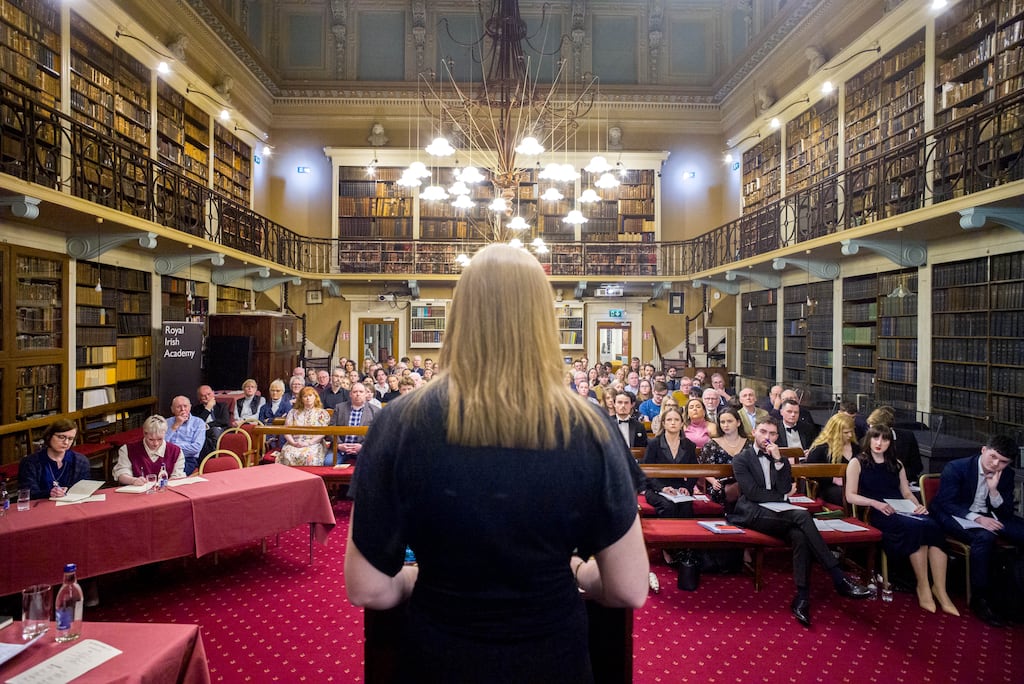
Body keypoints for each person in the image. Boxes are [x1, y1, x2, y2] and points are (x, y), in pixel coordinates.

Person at [344, 244, 647, 681]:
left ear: (459, 315)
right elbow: (629, 587)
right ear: (544, 320)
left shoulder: (398, 422)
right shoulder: (591, 427)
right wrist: (579, 569)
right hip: (552, 659)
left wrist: (412, 579)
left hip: (438, 658)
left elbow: (367, 587)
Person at [728, 417, 872, 627]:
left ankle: (802, 598)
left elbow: (785, 487)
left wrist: (778, 462)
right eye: (763, 432)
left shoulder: (781, 460)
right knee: (802, 515)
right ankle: (838, 577)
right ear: (754, 434)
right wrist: (782, 497)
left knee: (799, 535)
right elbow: (753, 494)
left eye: (772, 433)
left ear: (777, 437)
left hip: (778, 513)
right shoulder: (742, 459)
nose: (767, 437)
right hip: (751, 513)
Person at [845, 425, 959, 615]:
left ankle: (940, 589)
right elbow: (851, 496)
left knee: (933, 526)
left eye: (885, 439)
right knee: (915, 529)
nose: (879, 443)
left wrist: (917, 506)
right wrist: (875, 503)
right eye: (875, 438)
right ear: (869, 440)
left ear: (890, 442)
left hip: (901, 508)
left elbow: (906, 492)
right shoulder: (858, 462)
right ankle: (923, 586)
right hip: (877, 511)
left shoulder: (896, 464)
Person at [929, 435, 1024, 627]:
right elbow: (946, 503)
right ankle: (980, 597)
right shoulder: (957, 467)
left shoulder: (1006, 475)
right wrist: (978, 519)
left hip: (991, 516)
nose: (996, 464)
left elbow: (1006, 511)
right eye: (993, 457)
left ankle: (1015, 590)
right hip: (955, 515)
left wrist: (994, 491)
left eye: (1003, 462)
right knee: (985, 537)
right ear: (983, 450)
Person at [642, 406, 699, 519]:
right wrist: (662, 488)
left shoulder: (689, 445)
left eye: (676, 420)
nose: (673, 423)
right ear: (663, 423)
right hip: (656, 488)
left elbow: (694, 471)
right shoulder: (654, 444)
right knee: (668, 506)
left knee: (686, 507)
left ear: (682, 423)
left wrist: (687, 488)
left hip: (680, 489)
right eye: (669, 420)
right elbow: (646, 471)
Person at [18, 418, 91, 499]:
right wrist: (49, 493)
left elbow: (83, 489)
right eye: (61, 437)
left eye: (70, 439)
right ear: (49, 436)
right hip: (41, 506)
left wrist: (68, 491)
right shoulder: (30, 462)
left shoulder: (81, 461)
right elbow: (27, 493)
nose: (66, 442)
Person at [699, 407, 750, 508]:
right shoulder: (711, 445)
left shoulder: (749, 445)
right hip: (719, 484)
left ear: (738, 422)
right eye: (722, 422)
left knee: (744, 488)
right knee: (733, 490)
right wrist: (713, 481)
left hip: (745, 482)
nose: (726, 425)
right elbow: (704, 467)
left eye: (729, 421)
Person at [112, 415, 184, 485]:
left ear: (165, 434)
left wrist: (171, 482)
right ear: (144, 434)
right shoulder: (127, 450)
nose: (155, 444)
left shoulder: (176, 452)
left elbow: (177, 476)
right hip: (137, 494)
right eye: (151, 439)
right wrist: (133, 480)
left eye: (160, 439)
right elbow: (121, 474)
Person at [805, 413, 858, 506]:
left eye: (851, 431)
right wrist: (832, 479)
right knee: (842, 494)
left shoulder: (856, 448)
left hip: (854, 485)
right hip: (828, 487)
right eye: (846, 432)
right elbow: (810, 472)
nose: (850, 435)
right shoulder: (820, 449)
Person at [277, 386, 331, 466]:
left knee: (309, 457)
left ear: (315, 397)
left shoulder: (321, 413)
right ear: (301, 399)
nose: (308, 398)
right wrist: (293, 442)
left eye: (310, 396)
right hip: (294, 442)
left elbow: (323, 432)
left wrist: (309, 443)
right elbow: (286, 431)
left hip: (314, 443)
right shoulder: (293, 412)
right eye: (305, 396)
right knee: (287, 454)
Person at [866, 406, 922, 482]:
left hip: (905, 481)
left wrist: (898, 477)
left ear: (889, 429)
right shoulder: (864, 441)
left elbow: (917, 466)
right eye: (871, 428)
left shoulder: (907, 437)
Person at [329, 382, 380, 461]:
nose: (358, 394)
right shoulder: (339, 408)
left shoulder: (375, 411)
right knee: (328, 462)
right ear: (350, 394)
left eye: (361, 392)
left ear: (366, 394)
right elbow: (331, 428)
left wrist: (363, 446)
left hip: (364, 449)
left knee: (371, 466)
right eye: (355, 392)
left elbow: (378, 434)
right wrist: (339, 445)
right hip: (341, 449)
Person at [167, 395, 207, 474]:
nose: (183, 409)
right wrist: (175, 426)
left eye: (185, 406)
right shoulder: (166, 422)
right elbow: (160, 444)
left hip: (188, 459)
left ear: (190, 407)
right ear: (172, 409)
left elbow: (196, 448)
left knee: (174, 474)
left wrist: (172, 449)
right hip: (167, 458)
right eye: (179, 407)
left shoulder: (198, 423)